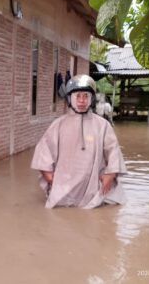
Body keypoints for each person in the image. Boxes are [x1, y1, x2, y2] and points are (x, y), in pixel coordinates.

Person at [31, 74, 127, 209]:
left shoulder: (103, 125)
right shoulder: (58, 125)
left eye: (86, 96)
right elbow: (43, 155)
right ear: (70, 98)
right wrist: (53, 180)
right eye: (78, 96)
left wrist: (110, 175)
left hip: (94, 186)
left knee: (110, 203)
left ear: (91, 99)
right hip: (64, 187)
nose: (82, 101)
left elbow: (113, 151)